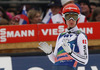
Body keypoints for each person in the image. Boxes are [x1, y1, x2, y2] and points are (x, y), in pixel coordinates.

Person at [38, 4, 89, 70]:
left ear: (78, 18)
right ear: (63, 18)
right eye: (68, 16)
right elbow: (56, 60)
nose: (71, 20)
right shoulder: (61, 35)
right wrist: (49, 53)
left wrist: (70, 52)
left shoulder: (80, 36)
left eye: (74, 16)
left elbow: (85, 60)